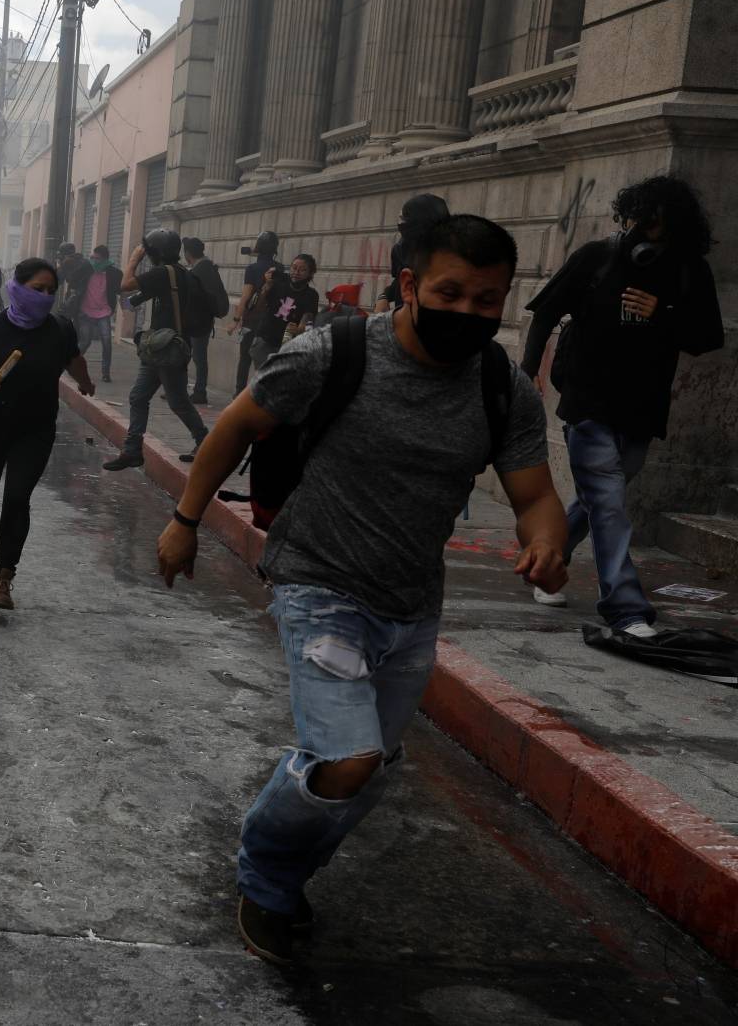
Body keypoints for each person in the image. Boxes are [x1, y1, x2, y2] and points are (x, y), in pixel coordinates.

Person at [155, 214, 567, 964]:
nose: (468, 313)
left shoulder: (500, 389)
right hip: (318, 582)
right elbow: (237, 426)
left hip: (411, 606)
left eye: (487, 301)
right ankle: (266, 875)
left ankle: (285, 874)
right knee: (348, 759)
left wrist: (545, 539)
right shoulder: (332, 354)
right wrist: (186, 520)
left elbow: (535, 493)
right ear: (410, 285)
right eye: (451, 293)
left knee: (364, 771)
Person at [520, 175, 724, 632]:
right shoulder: (598, 257)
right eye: (640, 220)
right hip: (588, 399)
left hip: (642, 407)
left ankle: (546, 559)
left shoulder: (689, 271)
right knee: (609, 501)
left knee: (598, 499)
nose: (645, 232)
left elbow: (708, 338)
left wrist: (664, 313)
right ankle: (626, 608)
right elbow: (546, 312)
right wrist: (526, 371)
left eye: (657, 225)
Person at [0, 258, 97, 609]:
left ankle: (3, 575)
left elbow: (74, 360)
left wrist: (86, 382)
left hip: (35, 429)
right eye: (37, 289)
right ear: (17, 287)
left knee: (17, 498)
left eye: (51, 291)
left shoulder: (61, 329)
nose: (45, 296)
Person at [102, 229, 211, 471]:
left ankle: (205, 441)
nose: (147, 255)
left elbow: (125, 284)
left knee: (177, 401)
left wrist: (134, 258)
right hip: (163, 346)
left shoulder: (163, 273)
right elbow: (134, 298)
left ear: (155, 252)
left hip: (167, 348)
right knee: (141, 397)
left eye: (148, 251)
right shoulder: (181, 273)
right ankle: (132, 451)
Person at [377, 193, 450, 312]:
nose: (402, 223)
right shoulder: (401, 249)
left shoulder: (452, 256)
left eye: (406, 218)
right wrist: (384, 297)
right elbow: (400, 281)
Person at [246, 254, 321, 367]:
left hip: (287, 346)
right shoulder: (278, 284)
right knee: (263, 379)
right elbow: (258, 308)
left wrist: (297, 329)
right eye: (294, 268)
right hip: (265, 339)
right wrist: (267, 286)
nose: (296, 272)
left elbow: (306, 321)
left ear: (310, 273)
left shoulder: (311, 295)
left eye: (302, 270)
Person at [231, 231, 282, 394]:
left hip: (252, 318)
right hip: (272, 319)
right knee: (266, 358)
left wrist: (236, 319)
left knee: (245, 357)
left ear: (258, 247)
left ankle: (239, 392)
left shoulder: (252, 268)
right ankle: (262, 392)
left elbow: (245, 296)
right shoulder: (279, 268)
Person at [182, 237, 231, 403]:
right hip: (202, 321)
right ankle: (188, 390)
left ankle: (199, 392)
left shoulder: (198, 271)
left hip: (197, 322)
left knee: (197, 357)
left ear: (188, 253)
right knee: (194, 356)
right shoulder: (207, 268)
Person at [74, 244, 120, 383]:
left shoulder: (113, 274)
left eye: (97, 258)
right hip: (85, 311)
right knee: (85, 342)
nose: (94, 261)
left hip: (103, 312)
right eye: (92, 257)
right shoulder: (86, 270)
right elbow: (73, 279)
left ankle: (105, 373)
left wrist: (128, 305)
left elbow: (120, 290)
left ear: (105, 260)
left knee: (107, 341)